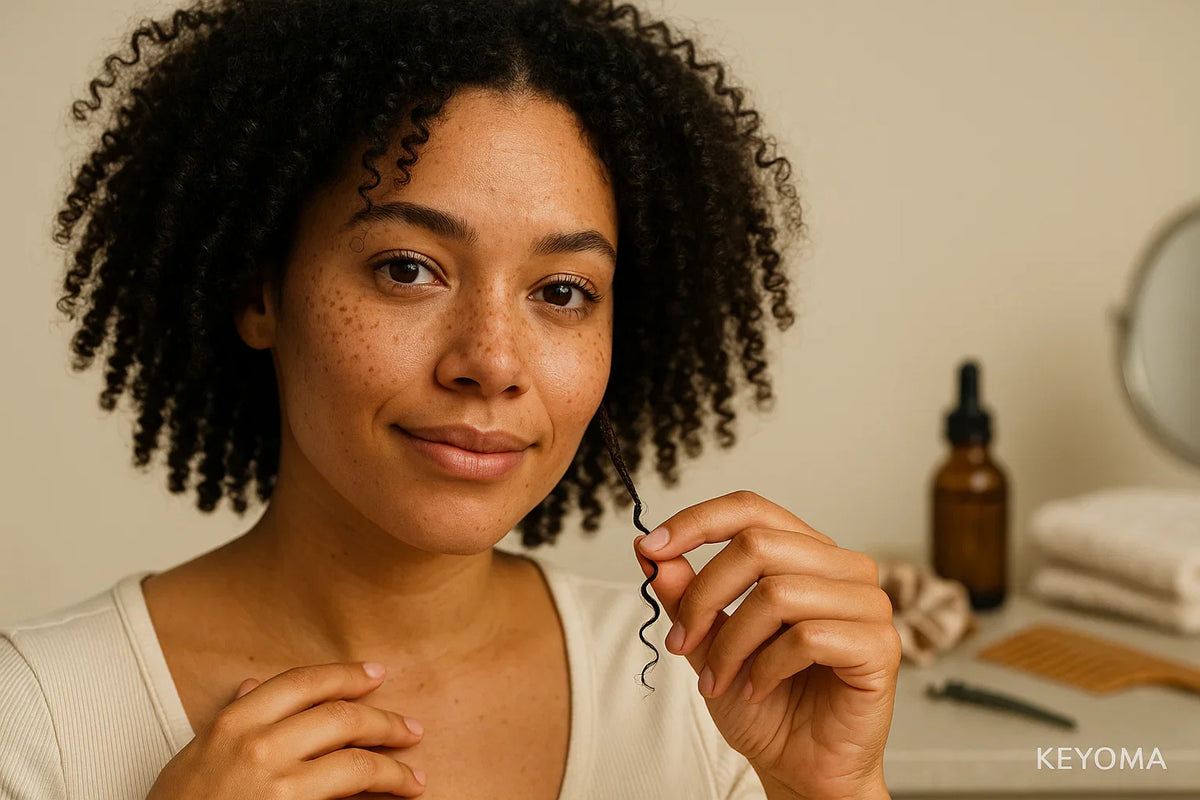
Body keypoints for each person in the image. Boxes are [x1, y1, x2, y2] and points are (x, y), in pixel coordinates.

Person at [0, 0, 900, 798]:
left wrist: (835, 791)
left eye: (562, 292)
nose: (493, 361)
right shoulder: (34, 720)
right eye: (407, 269)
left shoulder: (709, 698)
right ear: (259, 291)